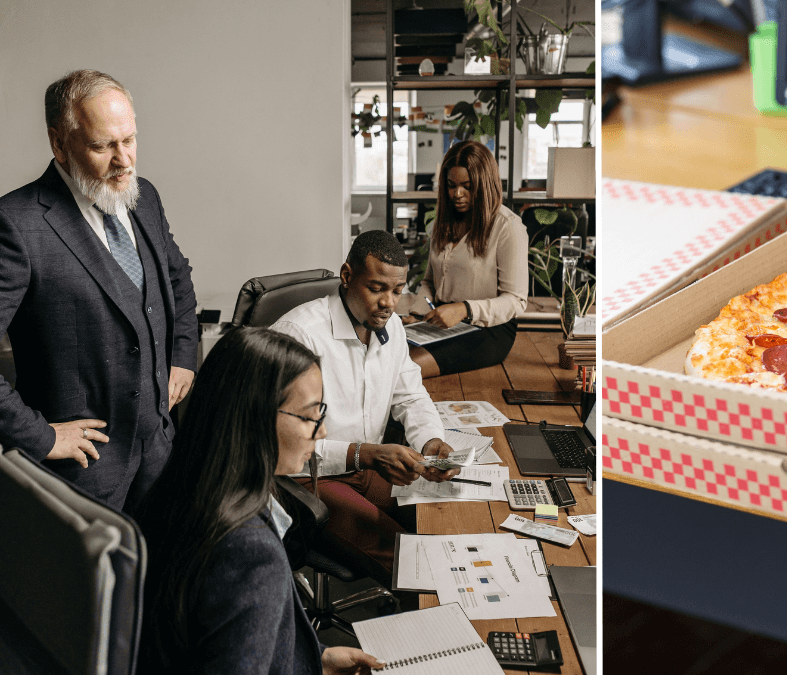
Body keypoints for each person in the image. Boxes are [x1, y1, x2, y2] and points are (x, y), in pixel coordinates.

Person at [0, 70, 197, 510]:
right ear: (59, 144)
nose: (124, 160)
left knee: (162, 576)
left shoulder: (143, 196)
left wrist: (184, 358)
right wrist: (41, 436)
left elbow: (178, 280)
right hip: (80, 474)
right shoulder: (16, 223)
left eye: (129, 140)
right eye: (102, 146)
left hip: (161, 453)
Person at [134, 327, 382, 674]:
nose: (322, 430)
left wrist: (316, 660)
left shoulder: (175, 490)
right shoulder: (249, 550)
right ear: (256, 416)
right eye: (311, 416)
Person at [272, 230, 457, 580]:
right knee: (411, 561)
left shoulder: (392, 327)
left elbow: (410, 396)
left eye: (397, 291)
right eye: (377, 288)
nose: (389, 302)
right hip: (305, 479)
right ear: (347, 277)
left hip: (367, 467)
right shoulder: (300, 335)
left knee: (443, 520)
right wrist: (366, 453)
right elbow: (277, 440)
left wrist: (430, 441)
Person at [405, 141, 529, 378]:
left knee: (405, 370)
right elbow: (430, 282)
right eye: (451, 186)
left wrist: (464, 309)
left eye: (467, 186)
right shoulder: (442, 223)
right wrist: (418, 314)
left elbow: (516, 301)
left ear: (484, 184)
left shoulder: (508, 227)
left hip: (487, 330)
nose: (457, 194)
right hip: (440, 322)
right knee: (385, 357)